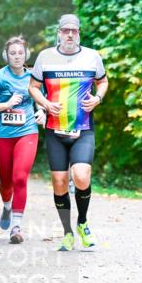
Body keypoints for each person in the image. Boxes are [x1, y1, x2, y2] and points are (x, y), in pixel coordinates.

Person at [28, 14, 108, 251]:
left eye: (74, 30)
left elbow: (103, 82)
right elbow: (32, 87)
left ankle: (82, 222)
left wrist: (98, 98)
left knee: (81, 175)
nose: (70, 34)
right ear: (59, 33)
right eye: (66, 31)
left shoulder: (92, 56)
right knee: (59, 182)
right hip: (55, 129)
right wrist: (45, 103)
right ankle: (67, 232)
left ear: (79, 33)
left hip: (83, 128)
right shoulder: (45, 57)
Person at [0, 36, 46, 243]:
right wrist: (6, 104)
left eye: (20, 53)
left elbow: (42, 101)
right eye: (12, 53)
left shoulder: (33, 77)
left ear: (25, 55)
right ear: (6, 56)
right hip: (2, 135)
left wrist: (43, 112)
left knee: (20, 177)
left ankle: (16, 227)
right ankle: (7, 206)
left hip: (27, 131)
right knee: (6, 182)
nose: (17, 57)